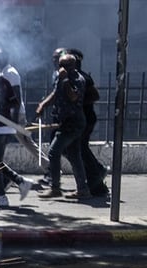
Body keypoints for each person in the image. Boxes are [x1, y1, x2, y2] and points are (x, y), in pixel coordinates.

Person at [0, 51, 35, 207]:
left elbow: (14, 102)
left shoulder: (2, 82)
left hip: (4, 127)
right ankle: (20, 181)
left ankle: (1, 196)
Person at [36, 53, 90, 200]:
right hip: (65, 122)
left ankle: (55, 188)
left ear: (73, 66)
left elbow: (73, 96)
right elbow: (55, 94)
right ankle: (83, 189)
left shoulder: (77, 79)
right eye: (60, 65)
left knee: (53, 152)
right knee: (74, 155)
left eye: (64, 66)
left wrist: (65, 79)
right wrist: (43, 105)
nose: (61, 68)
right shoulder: (60, 78)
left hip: (72, 123)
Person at [68, 48, 109, 197]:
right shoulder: (72, 77)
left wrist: (79, 103)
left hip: (85, 119)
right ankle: (97, 173)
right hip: (81, 119)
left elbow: (94, 95)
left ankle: (97, 180)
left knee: (80, 149)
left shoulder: (82, 77)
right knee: (80, 149)